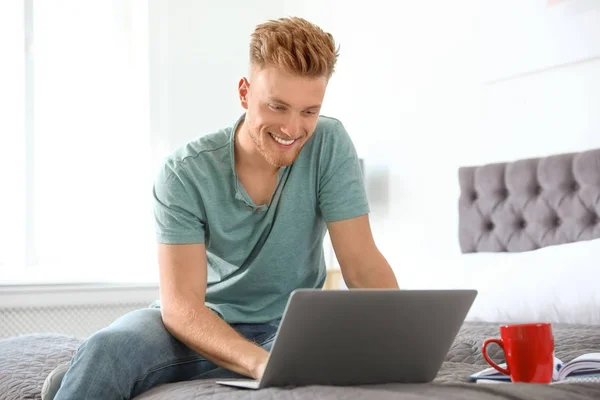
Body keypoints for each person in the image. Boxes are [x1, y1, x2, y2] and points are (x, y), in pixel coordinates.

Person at [46, 16, 398, 400]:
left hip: (289, 327)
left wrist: (405, 335)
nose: (293, 128)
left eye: (309, 111)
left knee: (337, 347)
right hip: (198, 324)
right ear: (245, 93)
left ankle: (87, 377)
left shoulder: (329, 144)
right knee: (108, 348)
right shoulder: (184, 173)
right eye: (277, 106)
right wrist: (259, 364)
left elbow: (362, 265)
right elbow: (181, 309)